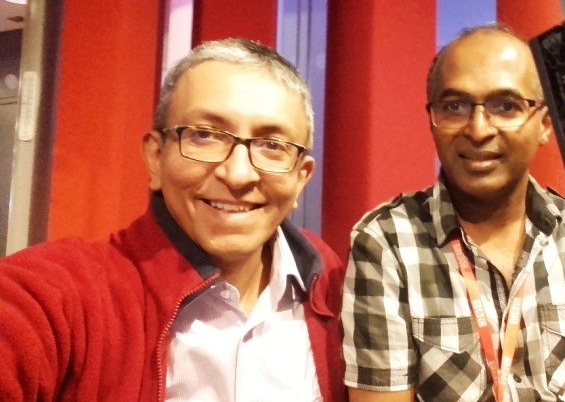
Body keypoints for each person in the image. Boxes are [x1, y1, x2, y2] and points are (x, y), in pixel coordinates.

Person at [0, 38, 346, 401]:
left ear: (300, 178)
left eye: (273, 145)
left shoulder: (335, 291)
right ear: (155, 157)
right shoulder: (59, 298)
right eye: (205, 135)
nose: (238, 174)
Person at [341, 25, 565, 401]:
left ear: (545, 125)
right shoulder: (386, 242)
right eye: (454, 106)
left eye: (506, 106)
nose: (479, 129)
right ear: (431, 119)